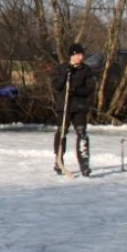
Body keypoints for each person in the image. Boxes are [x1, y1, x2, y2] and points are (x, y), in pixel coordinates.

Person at [52, 42, 96, 176]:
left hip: (79, 107)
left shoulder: (86, 70)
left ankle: (84, 163)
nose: (81, 57)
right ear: (72, 56)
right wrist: (65, 75)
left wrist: (76, 90)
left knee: (82, 133)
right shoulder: (62, 68)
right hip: (64, 107)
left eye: (82, 55)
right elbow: (57, 86)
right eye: (78, 55)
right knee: (61, 132)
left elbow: (90, 88)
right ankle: (58, 160)